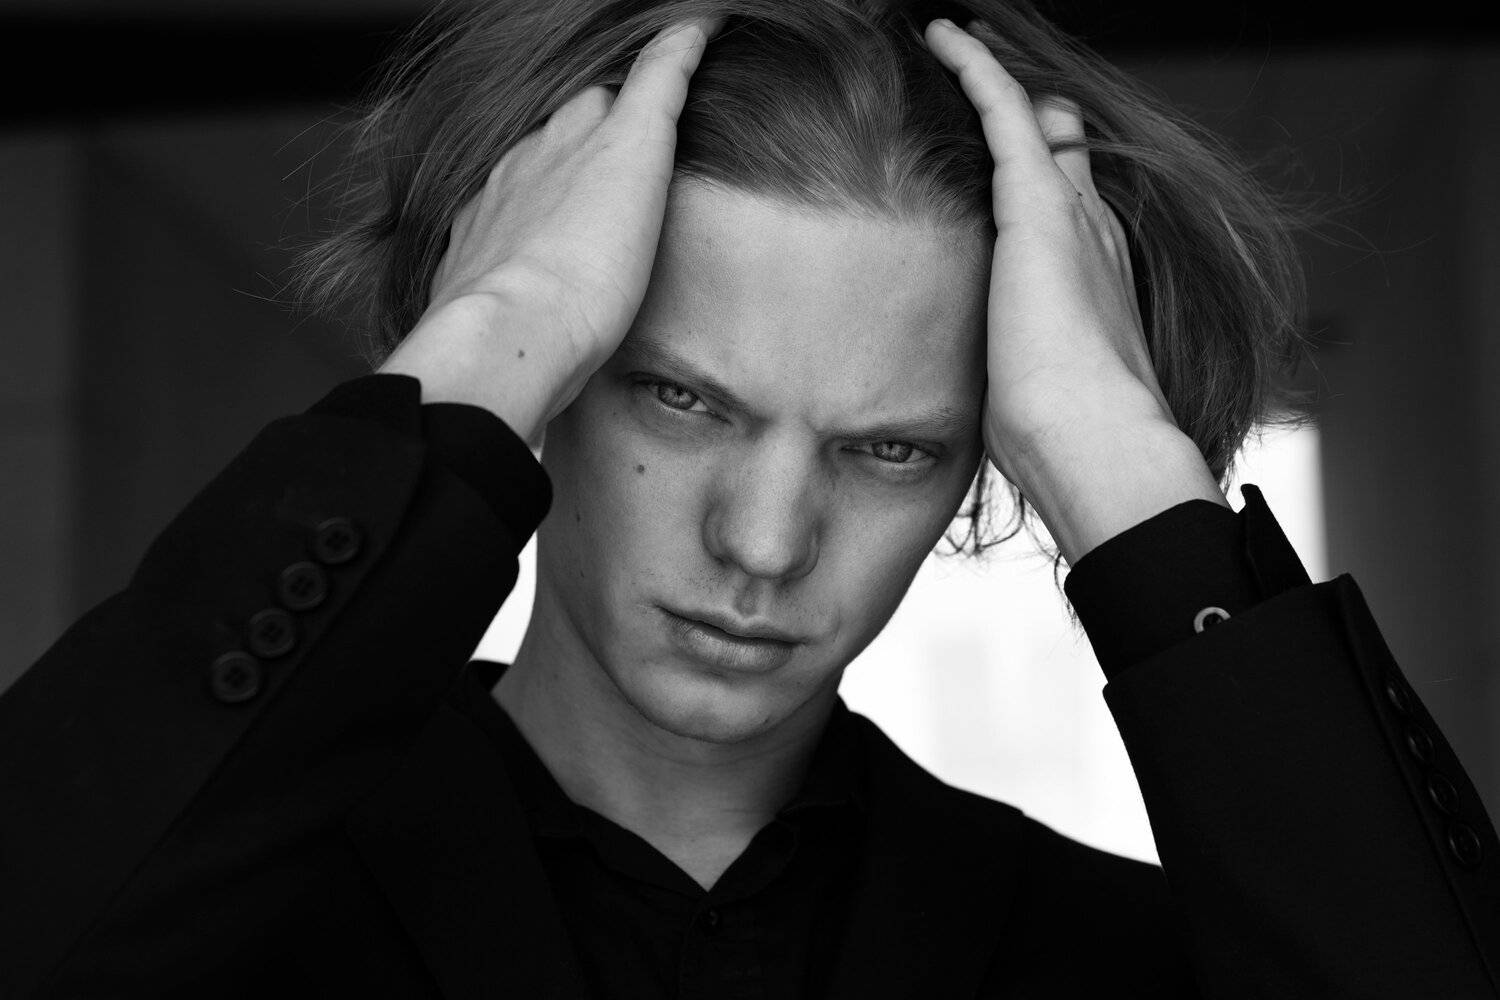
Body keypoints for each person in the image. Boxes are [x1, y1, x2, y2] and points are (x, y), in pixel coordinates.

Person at [1, 0, 1497, 996]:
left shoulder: (1099, 950)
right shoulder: (215, 900)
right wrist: (481, 335)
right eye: (684, 399)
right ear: (560, 378)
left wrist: (1128, 469)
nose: (765, 544)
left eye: (889, 450)